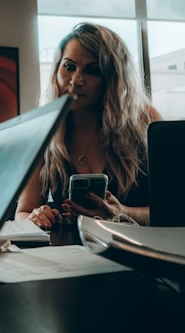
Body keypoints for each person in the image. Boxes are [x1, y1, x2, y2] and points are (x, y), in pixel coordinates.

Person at [15, 22, 162, 230]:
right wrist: (36, 217)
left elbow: (173, 210)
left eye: (92, 70)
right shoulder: (45, 129)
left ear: (112, 78)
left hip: (137, 252)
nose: (76, 80)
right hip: (72, 255)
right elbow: (23, 212)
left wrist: (123, 213)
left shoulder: (145, 119)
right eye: (69, 67)